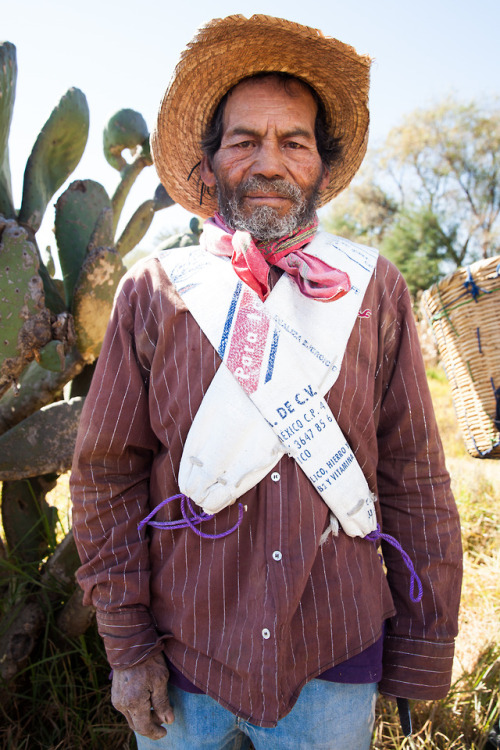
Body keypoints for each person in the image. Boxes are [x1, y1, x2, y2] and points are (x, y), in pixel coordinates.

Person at [71, 14, 462, 750]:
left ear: (321, 163)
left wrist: (423, 646)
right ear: (210, 163)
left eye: (294, 141)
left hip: (336, 656)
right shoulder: (156, 290)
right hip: (185, 660)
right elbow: (104, 477)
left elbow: (416, 475)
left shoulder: (375, 289)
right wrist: (127, 649)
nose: (269, 162)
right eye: (245, 140)